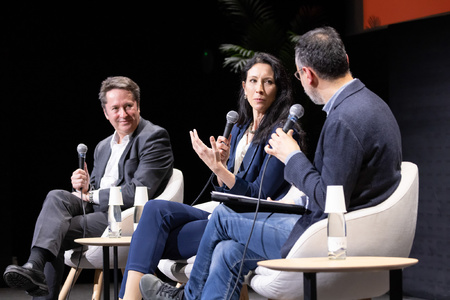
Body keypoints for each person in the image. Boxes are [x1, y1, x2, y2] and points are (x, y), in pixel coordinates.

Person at [139, 26, 402, 300]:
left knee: (222, 217)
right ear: (345, 60)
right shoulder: (371, 103)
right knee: (227, 251)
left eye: (299, 75)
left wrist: (293, 157)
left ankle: (185, 297)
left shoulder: (344, 119)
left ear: (308, 75)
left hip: (330, 238)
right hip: (347, 229)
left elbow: (329, 199)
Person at [118, 52, 304, 300]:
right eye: (253, 81)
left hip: (246, 222)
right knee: (154, 210)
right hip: (224, 210)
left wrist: (219, 169)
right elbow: (227, 192)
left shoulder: (283, 133)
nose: (259, 89)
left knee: (150, 238)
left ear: (278, 88)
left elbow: (258, 194)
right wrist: (222, 165)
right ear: (243, 87)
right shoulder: (240, 128)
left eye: (268, 82)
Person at [3, 76, 174, 299]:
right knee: (56, 196)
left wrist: (91, 195)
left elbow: (139, 192)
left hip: (124, 217)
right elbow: (94, 189)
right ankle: (35, 266)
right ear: (106, 112)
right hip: (98, 212)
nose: (122, 114)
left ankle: (39, 286)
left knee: (56, 229)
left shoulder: (154, 137)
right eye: (115, 108)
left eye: (128, 106)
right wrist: (84, 187)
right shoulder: (103, 146)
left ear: (138, 105)